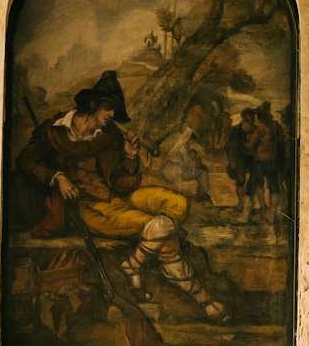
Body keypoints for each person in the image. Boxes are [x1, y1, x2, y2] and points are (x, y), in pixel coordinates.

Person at [18, 72, 224, 319]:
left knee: (177, 202)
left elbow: (121, 183)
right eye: (109, 109)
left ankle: (133, 264)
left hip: (116, 197)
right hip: (86, 207)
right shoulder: (53, 131)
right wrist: (57, 176)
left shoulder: (110, 135)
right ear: (94, 106)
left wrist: (129, 156)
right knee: (159, 230)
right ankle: (203, 298)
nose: (112, 116)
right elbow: (26, 160)